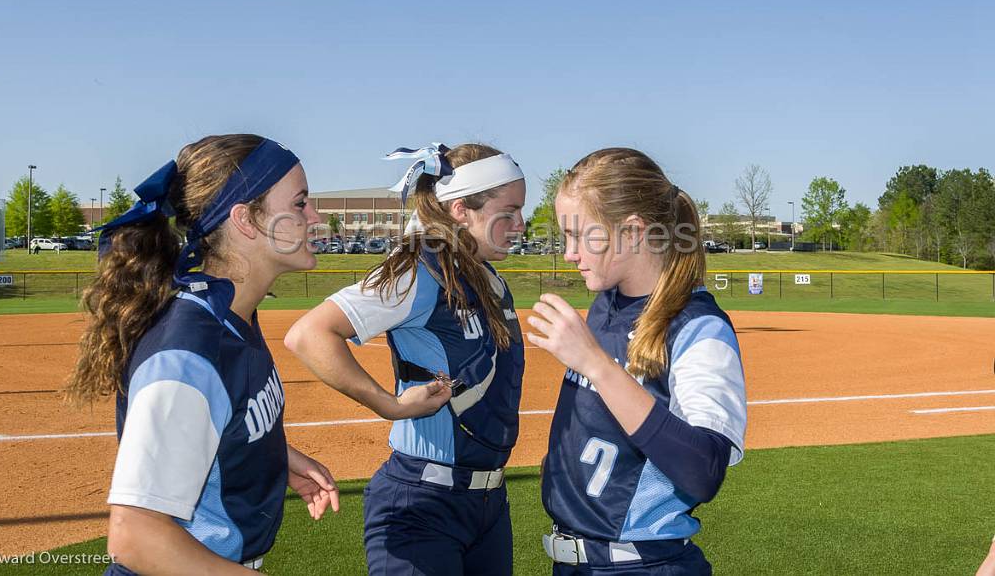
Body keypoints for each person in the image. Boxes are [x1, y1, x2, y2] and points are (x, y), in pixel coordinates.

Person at [65, 134, 340, 575]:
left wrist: (270, 453)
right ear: (246, 220)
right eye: (301, 203)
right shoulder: (190, 348)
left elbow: (220, 411)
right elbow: (135, 536)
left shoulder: (230, 310)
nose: (317, 217)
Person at [284, 142, 527, 575]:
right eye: (507, 212)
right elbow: (310, 334)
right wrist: (390, 405)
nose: (520, 225)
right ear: (460, 212)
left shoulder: (487, 280)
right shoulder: (419, 269)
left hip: (489, 503)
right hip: (422, 504)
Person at [526, 148, 747, 574]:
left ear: (631, 232)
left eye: (578, 235)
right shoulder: (605, 305)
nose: (568, 252)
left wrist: (597, 366)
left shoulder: (698, 327)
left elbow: (704, 469)